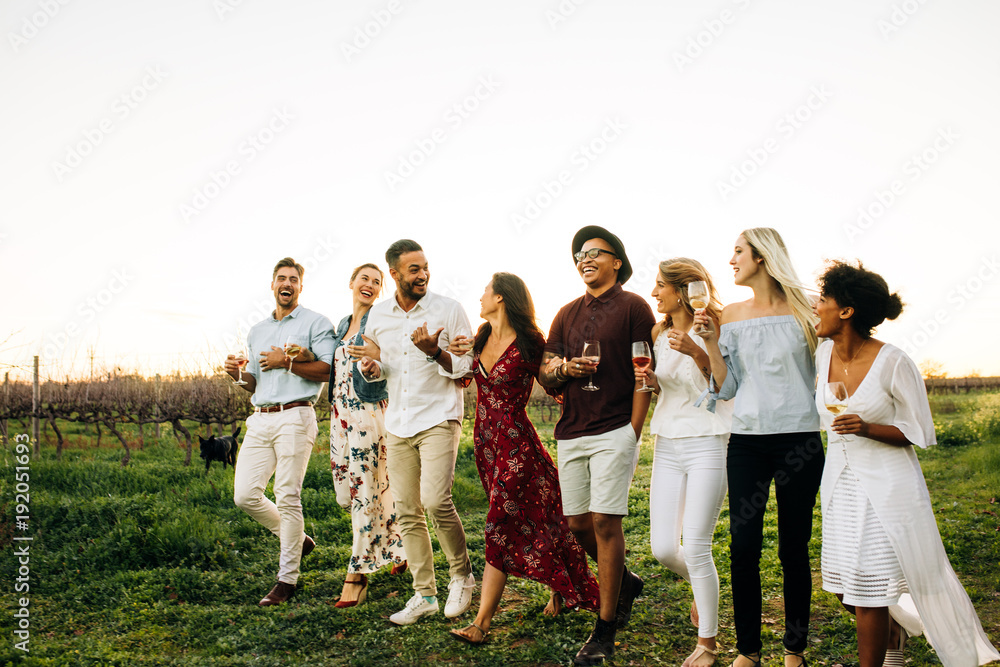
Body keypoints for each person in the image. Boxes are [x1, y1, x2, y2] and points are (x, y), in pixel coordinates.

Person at [813, 260, 1000, 667]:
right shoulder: (822, 353)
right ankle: (895, 634)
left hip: (888, 488)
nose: (816, 306)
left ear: (846, 311)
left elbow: (919, 432)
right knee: (845, 588)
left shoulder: (894, 361)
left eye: (824, 299)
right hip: (839, 485)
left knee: (868, 593)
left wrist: (867, 427)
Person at [447, 273, 600, 646]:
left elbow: (553, 384)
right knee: (541, 520)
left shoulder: (532, 342)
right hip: (485, 444)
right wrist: (445, 353)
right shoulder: (482, 337)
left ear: (500, 298)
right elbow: (464, 378)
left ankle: (481, 623)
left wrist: (574, 374)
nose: (480, 298)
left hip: (517, 447)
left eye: (485, 292)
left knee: (498, 524)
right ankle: (558, 589)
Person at [696, 228, 823, 667]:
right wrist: (711, 342)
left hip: (799, 442)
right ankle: (748, 650)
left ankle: (794, 650)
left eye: (738, 252)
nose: (731, 260)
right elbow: (727, 387)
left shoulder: (808, 313)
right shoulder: (729, 314)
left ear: (763, 258)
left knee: (793, 548)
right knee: (743, 545)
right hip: (747, 443)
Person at [538, 226, 656, 666]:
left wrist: (633, 429)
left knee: (606, 521)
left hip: (614, 427)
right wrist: (565, 368)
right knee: (577, 524)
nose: (584, 259)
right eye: (578, 255)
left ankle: (604, 631)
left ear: (616, 261)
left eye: (594, 253)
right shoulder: (566, 313)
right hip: (572, 430)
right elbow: (545, 372)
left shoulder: (634, 307)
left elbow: (644, 369)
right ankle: (624, 579)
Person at [353, 239, 475, 625]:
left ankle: (462, 576)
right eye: (413, 270)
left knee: (436, 500)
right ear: (394, 274)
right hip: (399, 421)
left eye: (425, 268)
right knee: (407, 510)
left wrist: (433, 351)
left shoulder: (449, 309)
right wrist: (370, 369)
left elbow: (465, 369)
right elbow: (378, 365)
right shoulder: (379, 316)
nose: (422, 275)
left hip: (439, 416)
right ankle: (424, 594)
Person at [635, 259, 732, 667]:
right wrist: (655, 384)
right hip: (669, 441)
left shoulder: (713, 326)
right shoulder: (658, 333)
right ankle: (704, 586)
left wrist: (697, 350)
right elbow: (675, 390)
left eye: (660, 286)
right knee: (661, 548)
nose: (654, 293)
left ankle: (707, 642)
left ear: (681, 290)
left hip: (709, 440)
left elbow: (724, 386)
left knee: (695, 545)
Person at [223, 257, 335, 606]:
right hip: (261, 417)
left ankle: (287, 579)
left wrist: (287, 362)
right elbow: (256, 382)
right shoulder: (257, 330)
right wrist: (236, 374)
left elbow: (328, 370)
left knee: (287, 495)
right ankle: (298, 538)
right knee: (245, 495)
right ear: (272, 285)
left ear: (300, 287)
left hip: (295, 416)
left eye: (293, 279)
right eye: (281, 279)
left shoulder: (316, 323)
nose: (287, 284)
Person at [328, 263, 406, 608]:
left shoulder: (382, 322)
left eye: (377, 282)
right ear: (351, 283)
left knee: (364, 490)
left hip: (368, 412)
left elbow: (394, 361)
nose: (370, 285)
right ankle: (398, 546)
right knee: (352, 490)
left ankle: (357, 573)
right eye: (365, 279)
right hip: (339, 415)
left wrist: (377, 365)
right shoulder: (343, 325)